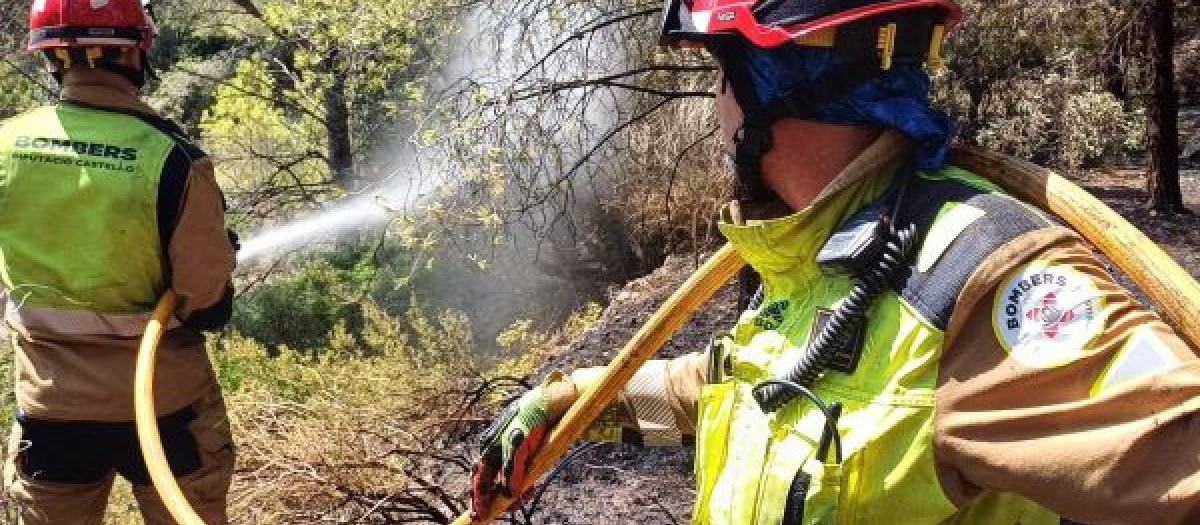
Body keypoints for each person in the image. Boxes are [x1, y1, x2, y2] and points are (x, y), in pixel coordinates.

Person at [470, 1, 1200, 524]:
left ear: (785, 83)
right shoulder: (819, 251)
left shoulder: (981, 280)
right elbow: (748, 383)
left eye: (726, 75)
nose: (721, 110)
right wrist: (585, 399)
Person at [0, 0, 237, 523]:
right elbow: (206, 307)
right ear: (136, 53)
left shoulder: (5, 145)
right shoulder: (174, 158)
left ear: (52, 56)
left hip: (52, 412)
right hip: (164, 406)